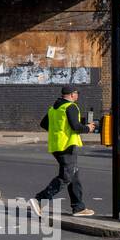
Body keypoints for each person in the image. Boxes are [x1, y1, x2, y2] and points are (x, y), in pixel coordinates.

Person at [30, 85, 96, 218]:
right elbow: (76, 127)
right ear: (72, 95)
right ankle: (39, 200)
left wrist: (58, 131)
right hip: (66, 145)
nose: (77, 96)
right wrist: (88, 128)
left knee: (74, 175)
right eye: (77, 93)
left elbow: (43, 124)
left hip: (57, 145)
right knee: (66, 176)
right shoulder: (70, 107)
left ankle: (78, 207)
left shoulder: (54, 108)